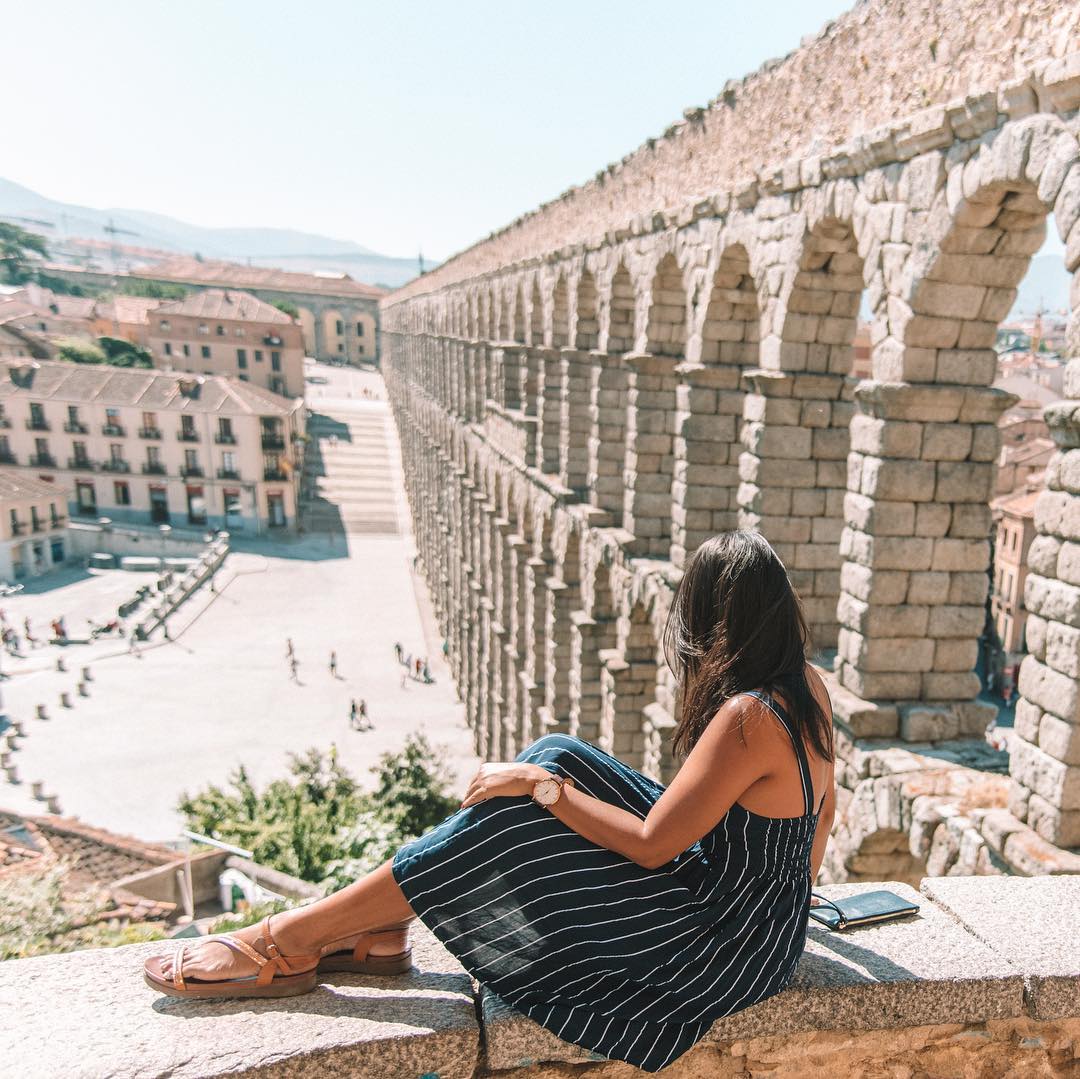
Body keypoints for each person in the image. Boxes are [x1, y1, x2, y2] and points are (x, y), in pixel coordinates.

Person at [142, 531, 835, 1074]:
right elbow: (823, 815)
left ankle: (290, 940)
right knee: (559, 751)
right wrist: (783, 907)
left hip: (717, 945)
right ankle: (381, 925)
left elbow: (654, 846)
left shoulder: (746, 717)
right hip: (758, 923)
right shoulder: (804, 683)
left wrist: (542, 791)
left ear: (714, 619)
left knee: (518, 812)